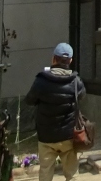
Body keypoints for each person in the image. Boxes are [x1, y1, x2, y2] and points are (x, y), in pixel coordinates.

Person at [26, 43, 86, 181]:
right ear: (70, 60)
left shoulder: (41, 80)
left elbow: (29, 100)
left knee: (45, 173)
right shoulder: (76, 81)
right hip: (68, 136)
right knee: (72, 174)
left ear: (54, 59)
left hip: (46, 137)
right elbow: (82, 96)